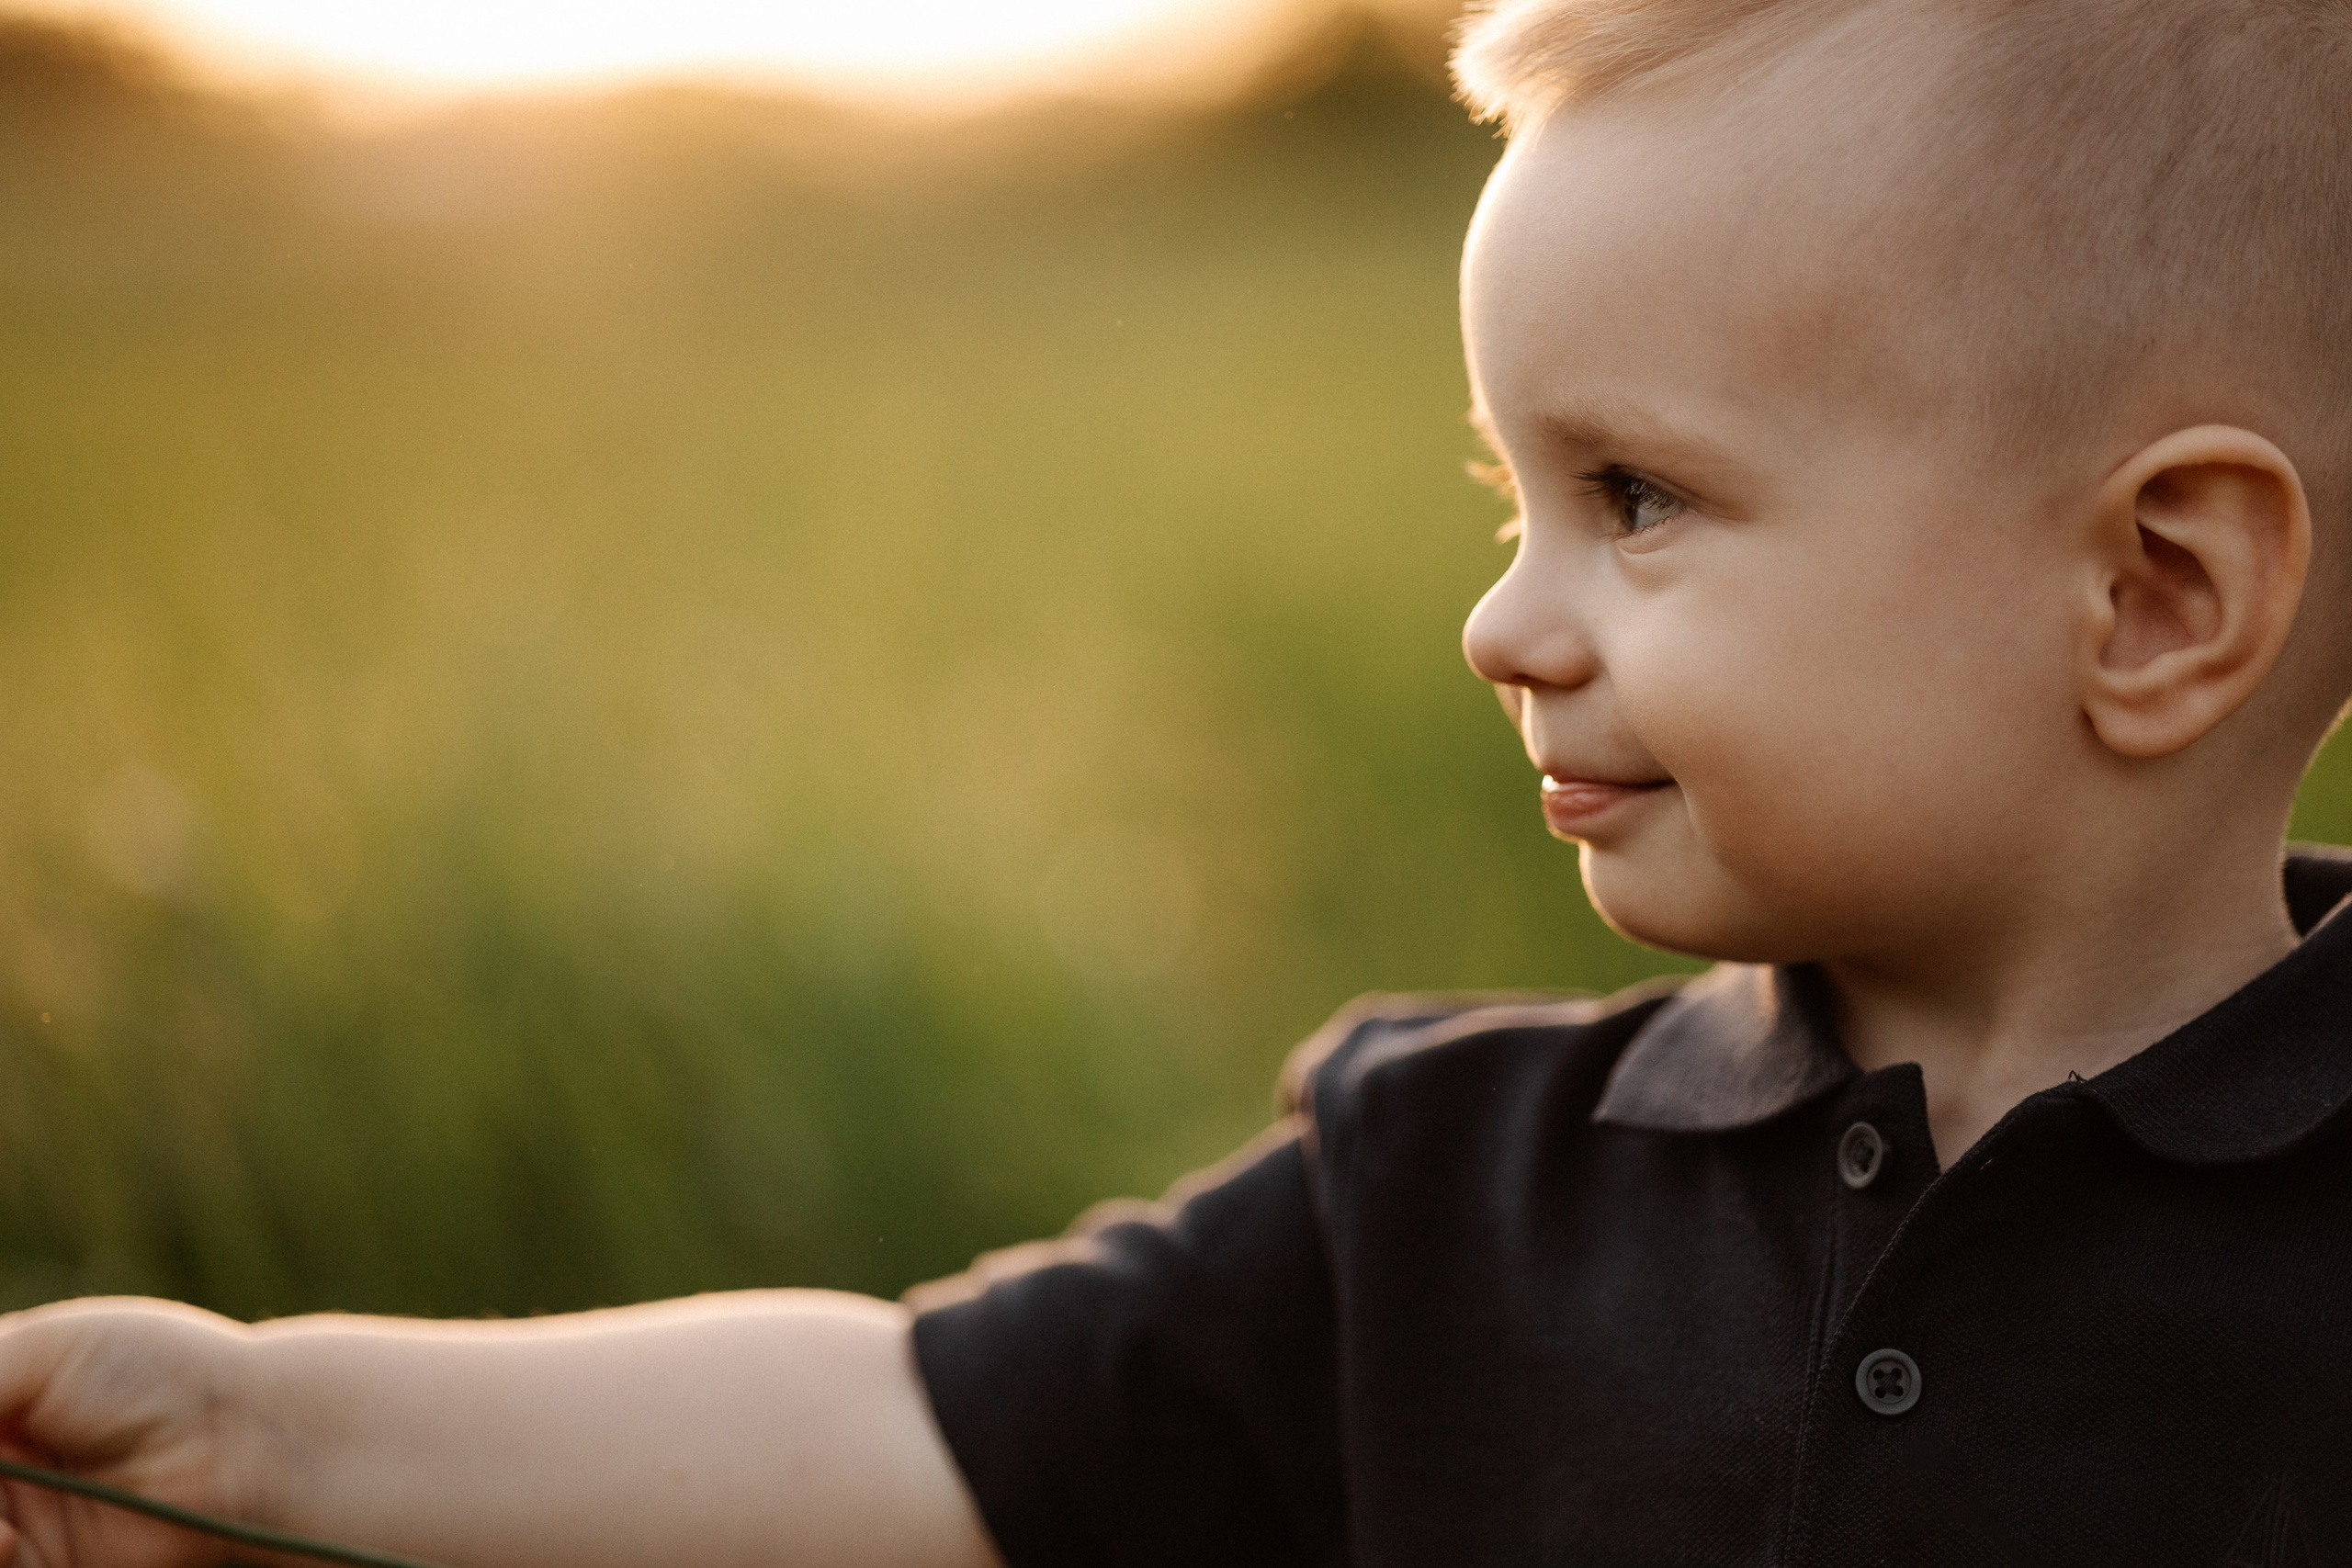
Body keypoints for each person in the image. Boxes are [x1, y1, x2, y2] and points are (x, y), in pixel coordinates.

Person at [6, 0, 2352, 1562]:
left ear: (2151, 590)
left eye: (1634, 494)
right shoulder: (1440, 1203)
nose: (1504, 619)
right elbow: (906, 1425)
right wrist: (252, 1427)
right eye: (1503, 498)